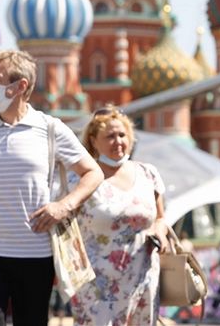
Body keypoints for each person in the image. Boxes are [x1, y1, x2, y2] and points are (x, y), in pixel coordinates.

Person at [0, 49, 103, 326]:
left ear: (20, 86)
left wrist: (63, 206)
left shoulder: (50, 129)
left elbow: (92, 173)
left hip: (35, 254)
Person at [70, 107, 169, 326]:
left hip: (143, 275)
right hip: (97, 284)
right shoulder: (79, 178)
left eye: (122, 135)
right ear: (94, 141)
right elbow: (65, 227)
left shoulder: (147, 173)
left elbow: (161, 218)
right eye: (110, 136)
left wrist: (159, 232)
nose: (118, 141)